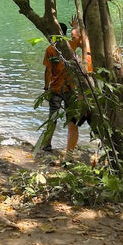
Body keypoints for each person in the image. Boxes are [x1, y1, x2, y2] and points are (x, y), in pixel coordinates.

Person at [42, 17, 93, 154]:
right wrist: (77, 27)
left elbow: (48, 71)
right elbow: (82, 42)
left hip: (56, 89)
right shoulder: (71, 45)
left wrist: (46, 87)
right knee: (72, 121)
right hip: (71, 89)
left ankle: (47, 145)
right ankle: (70, 150)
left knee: (52, 117)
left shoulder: (50, 49)